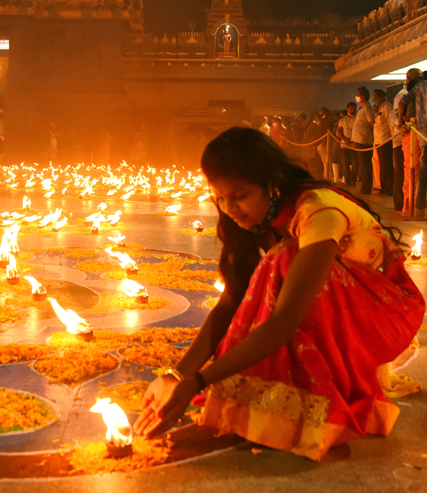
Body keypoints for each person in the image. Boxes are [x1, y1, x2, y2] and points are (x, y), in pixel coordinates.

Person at [134, 128, 424, 460]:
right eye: (220, 197)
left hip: (385, 312)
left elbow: (286, 321)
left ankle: (318, 402)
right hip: (344, 307)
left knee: (281, 260)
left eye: (240, 195)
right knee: (273, 272)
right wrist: (177, 376)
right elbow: (232, 300)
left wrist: (199, 382)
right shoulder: (257, 214)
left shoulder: (318, 213)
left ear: (271, 184)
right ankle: (276, 396)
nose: (230, 208)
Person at [392, 69, 422, 213]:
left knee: (414, 172)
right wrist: (400, 124)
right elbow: (400, 111)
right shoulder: (405, 96)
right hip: (411, 137)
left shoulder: (413, 95)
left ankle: (412, 206)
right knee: (412, 172)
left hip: (415, 137)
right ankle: (410, 206)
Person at [400, 72, 427, 219]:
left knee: (421, 173)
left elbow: (402, 102)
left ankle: (419, 208)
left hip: (422, 134)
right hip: (420, 136)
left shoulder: (417, 88)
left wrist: (399, 123)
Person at [351, 87, 374, 196]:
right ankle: (364, 187)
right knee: (363, 166)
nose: (357, 96)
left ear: (363, 97)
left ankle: (366, 188)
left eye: (358, 94)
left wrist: (374, 137)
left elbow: (372, 123)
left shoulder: (367, 108)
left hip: (364, 141)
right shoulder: (362, 108)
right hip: (359, 140)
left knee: (365, 166)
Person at [372, 89, 394, 197]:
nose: (374, 99)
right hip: (378, 141)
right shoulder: (378, 109)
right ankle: (383, 187)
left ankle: (388, 189)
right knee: (382, 166)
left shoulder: (387, 107)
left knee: (386, 166)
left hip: (386, 140)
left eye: (375, 97)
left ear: (381, 97)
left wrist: (392, 139)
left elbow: (391, 124)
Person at [336, 102, 358, 186]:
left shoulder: (358, 118)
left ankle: (354, 180)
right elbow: (339, 131)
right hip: (344, 145)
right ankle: (348, 181)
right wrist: (345, 139)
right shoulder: (343, 120)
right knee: (345, 165)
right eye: (351, 108)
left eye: (354, 108)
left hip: (355, 146)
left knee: (355, 165)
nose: (353, 110)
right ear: (347, 109)